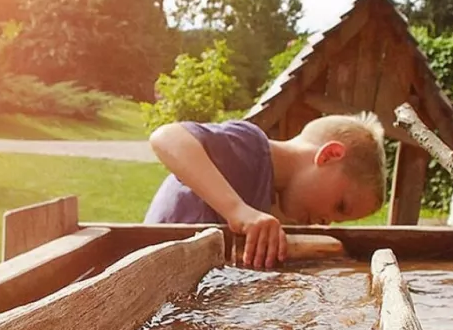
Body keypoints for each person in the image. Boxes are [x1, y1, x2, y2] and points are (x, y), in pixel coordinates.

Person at [144, 113, 387, 269]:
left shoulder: (267, 200)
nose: (326, 222)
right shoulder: (251, 149)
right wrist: (237, 211)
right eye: (340, 206)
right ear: (329, 155)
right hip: (148, 265)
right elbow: (166, 137)